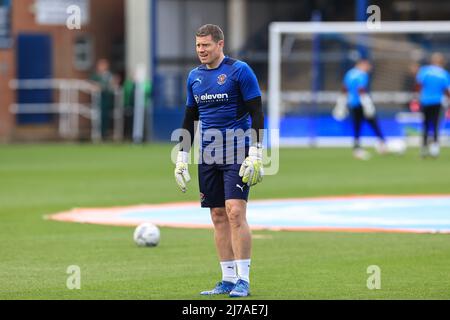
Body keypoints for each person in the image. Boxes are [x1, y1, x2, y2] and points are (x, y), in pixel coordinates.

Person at [174, 24, 264, 298]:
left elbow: (257, 112)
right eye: (198, 45)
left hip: (238, 151)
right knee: (217, 215)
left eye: (206, 45)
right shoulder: (194, 77)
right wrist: (181, 157)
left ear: (220, 44)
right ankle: (226, 279)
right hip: (208, 154)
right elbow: (190, 119)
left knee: (235, 212)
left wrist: (257, 152)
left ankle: (244, 280)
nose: (201, 50)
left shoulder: (240, 71)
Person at [334, 59, 387, 160]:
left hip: (352, 104)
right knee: (373, 123)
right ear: (362, 65)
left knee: (357, 126)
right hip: (362, 104)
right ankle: (382, 144)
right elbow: (361, 89)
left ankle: (357, 149)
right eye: (367, 66)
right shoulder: (362, 74)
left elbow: (345, 88)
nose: (369, 68)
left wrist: (341, 104)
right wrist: (367, 104)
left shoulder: (349, 73)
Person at [411, 53, 450, 158]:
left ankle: (424, 148)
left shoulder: (425, 71)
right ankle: (435, 148)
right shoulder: (444, 74)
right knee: (436, 125)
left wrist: (415, 98)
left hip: (425, 101)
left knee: (425, 125)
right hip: (437, 102)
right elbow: (446, 90)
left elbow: (419, 85)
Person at [90, 59, 115, 139]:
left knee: (104, 116)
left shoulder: (108, 75)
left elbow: (111, 85)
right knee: (97, 116)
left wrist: (102, 87)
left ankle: (104, 133)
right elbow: (91, 83)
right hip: (97, 100)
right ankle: (97, 133)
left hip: (106, 99)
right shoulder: (96, 75)